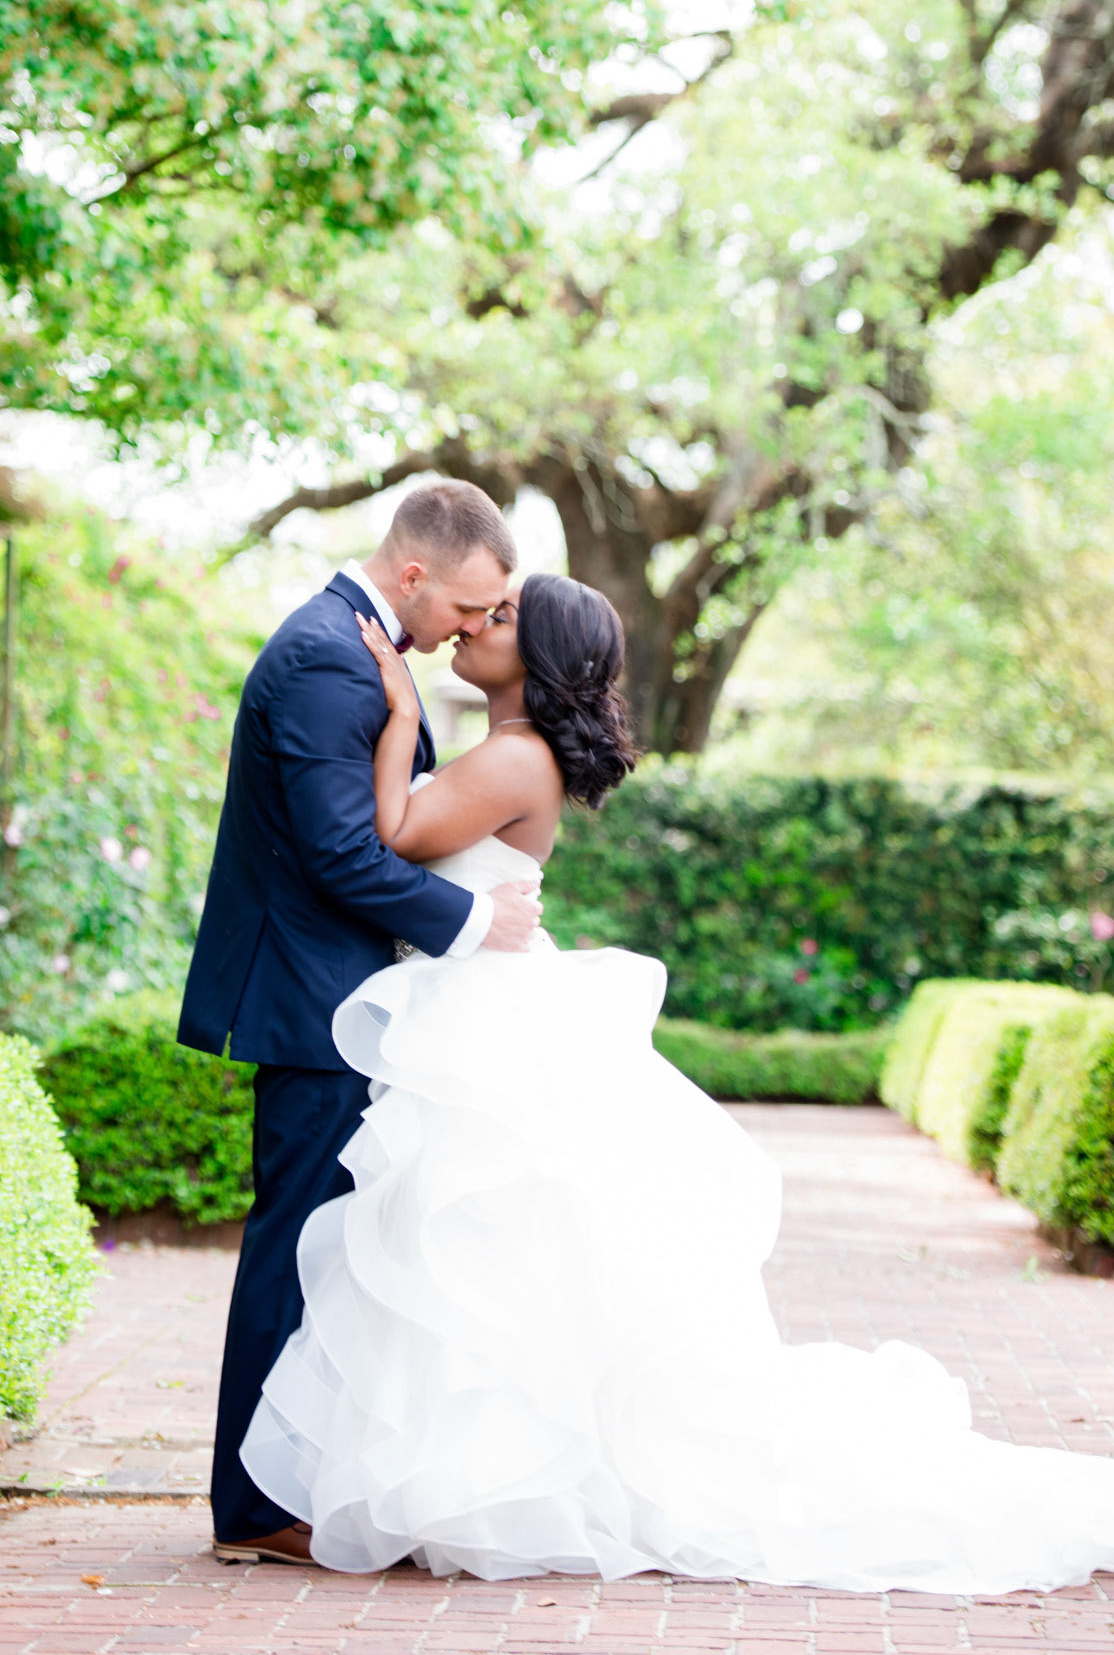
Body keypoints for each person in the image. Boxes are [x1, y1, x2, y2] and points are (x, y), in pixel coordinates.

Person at [240, 571, 1114, 1593]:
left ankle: (494, 1472)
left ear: (541, 658)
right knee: (487, 1253)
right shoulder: (507, 750)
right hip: (475, 1007)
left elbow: (388, 835)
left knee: (475, 1240)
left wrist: (397, 711)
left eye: (504, 617)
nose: (476, 625)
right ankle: (470, 1470)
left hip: (485, 1019)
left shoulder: (514, 756)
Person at [179, 481, 544, 1565]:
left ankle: (294, 1479)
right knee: (292, 1246)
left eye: (492, 616)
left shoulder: (357, 653)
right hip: (309, 1002)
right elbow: (342, 853)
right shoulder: (326, 657)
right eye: (467, 606)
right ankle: (250, 1506)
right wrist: (475, 921)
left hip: (340, 996)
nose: (471, 630)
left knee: (328, 1246)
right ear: (414, 572)